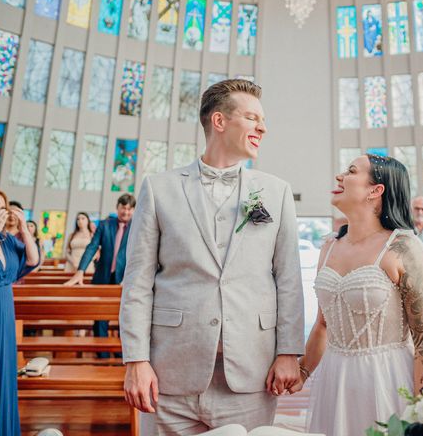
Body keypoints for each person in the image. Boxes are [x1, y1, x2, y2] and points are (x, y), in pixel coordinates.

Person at [120, 79, 305, 433]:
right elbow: (138, 282)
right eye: (252, 118)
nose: (262, 127)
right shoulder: (159, 189)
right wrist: (136, 360)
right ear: (219, 122)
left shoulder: (275, 192)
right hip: (169, 374)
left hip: (251, 374)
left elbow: (289, 280)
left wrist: (288, 352)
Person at [297, 154, 423, 436]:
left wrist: (422, 413)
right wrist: (302, 371)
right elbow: (322, 325)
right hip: (335, 379)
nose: (339, 176)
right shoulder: (329, 247)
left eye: (351, 171)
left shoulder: (403, 248)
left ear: (375, 190)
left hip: (386, 379)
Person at [0, 187, 40, 436]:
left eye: (0, 208)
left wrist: (23, 228)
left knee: (3, 375)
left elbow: (32, 260)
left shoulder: (5, 239)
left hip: (5, 313)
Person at [64, 195, 135, 357]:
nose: (126, 212)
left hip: (125, 279)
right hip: (103, 276)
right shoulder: (105, 225)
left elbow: (140, 254)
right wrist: (81, 270)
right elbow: (92, 247)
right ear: (117, 208)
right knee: (100, 317)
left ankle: (120, 355)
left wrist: (131, 277)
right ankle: (102, 355)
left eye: (130, 209)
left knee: (124, 318)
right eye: (123, 208)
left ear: (134, 210)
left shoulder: (138, 226)